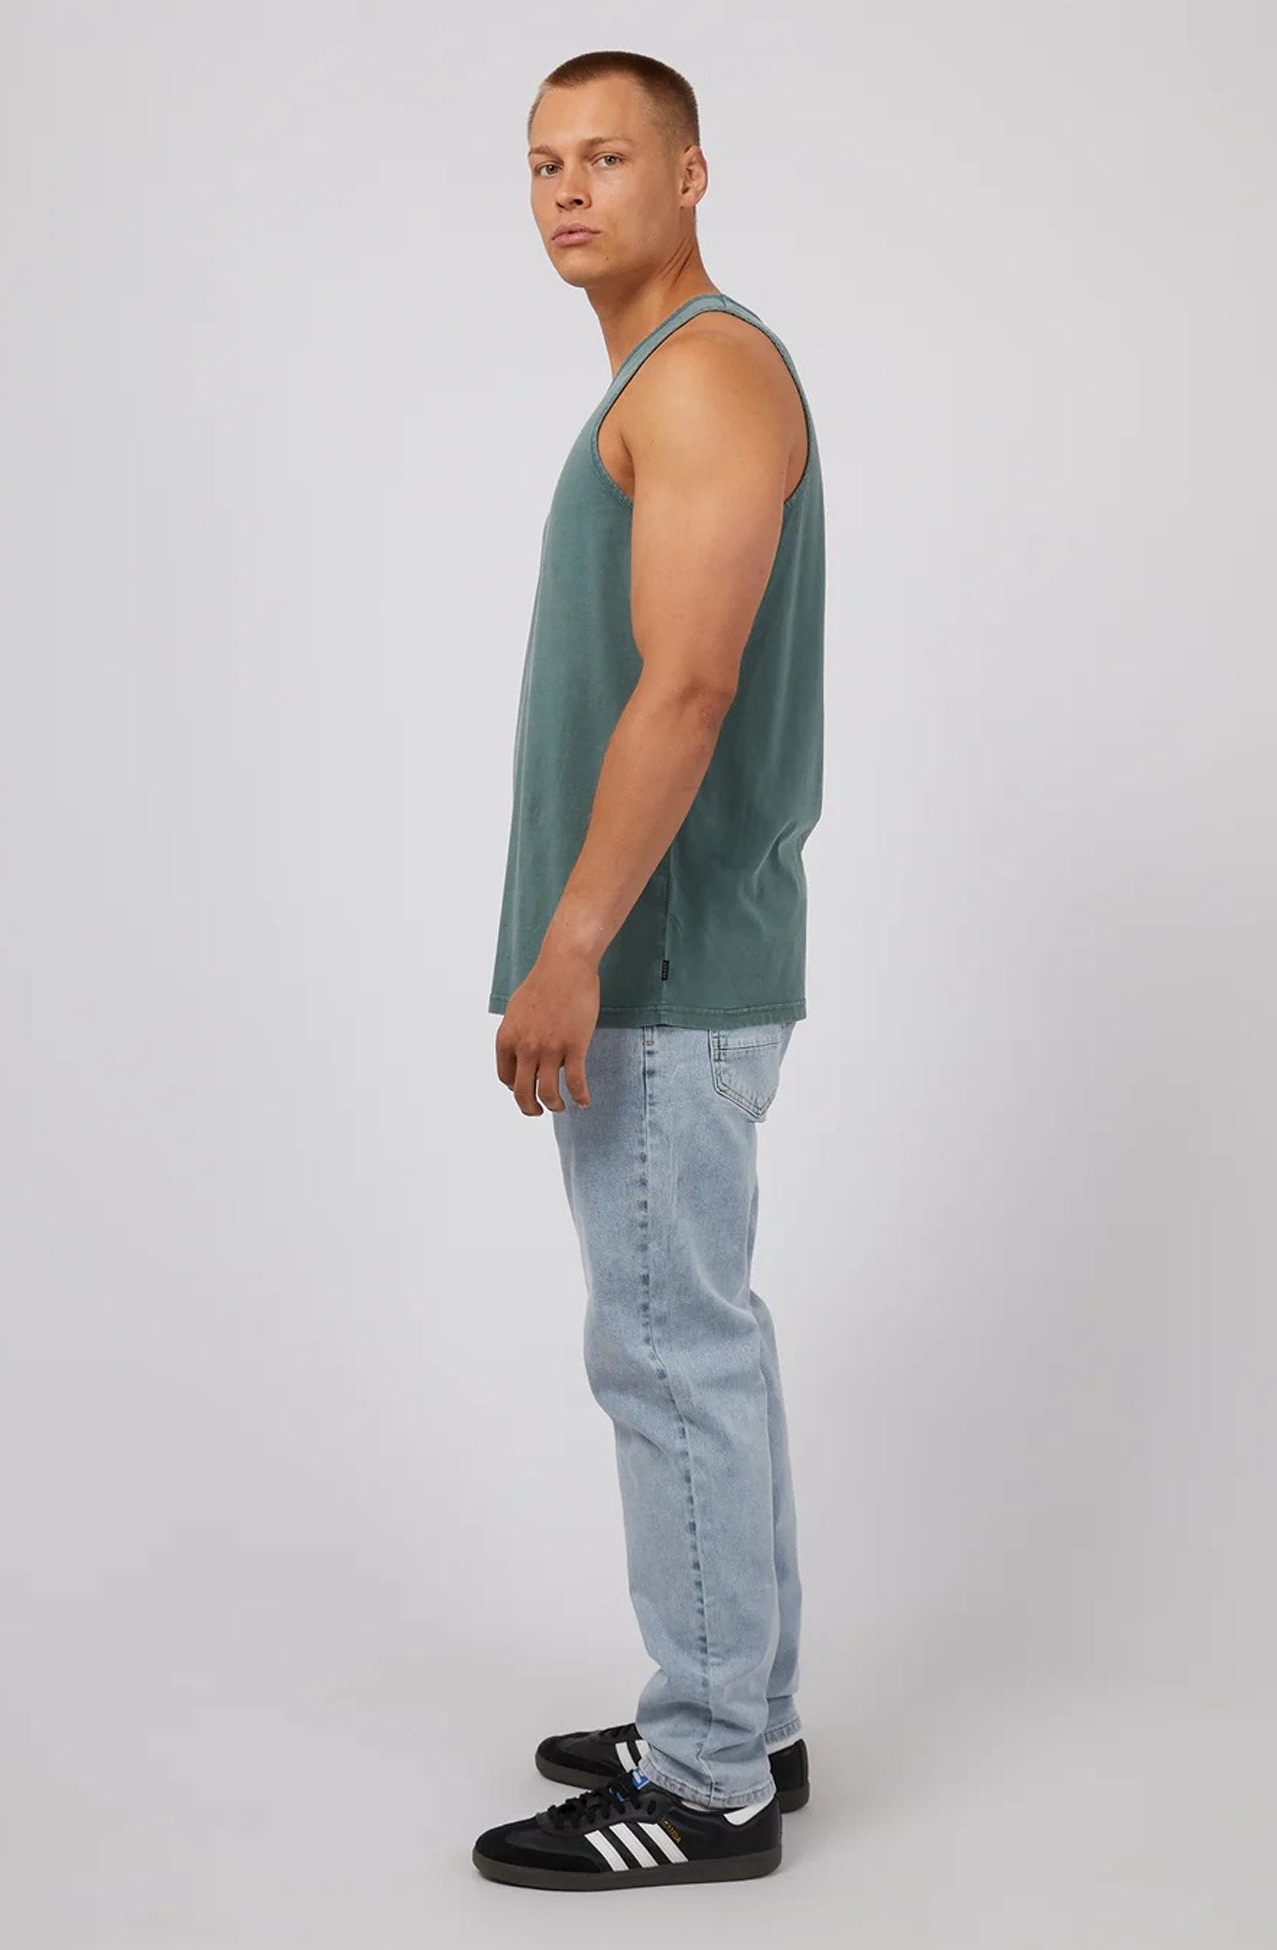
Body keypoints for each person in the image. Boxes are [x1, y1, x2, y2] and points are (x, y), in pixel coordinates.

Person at [475, 47, 825, 1891]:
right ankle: (740, 1711)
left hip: (662, 967)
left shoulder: (699, 372)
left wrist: (574, 946)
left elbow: (688, 688)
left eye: (608, 156)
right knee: (703, 1341)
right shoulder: (668, 375)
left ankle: (703, 1784)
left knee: (668, 1351)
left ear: (690, 176)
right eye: (545, 162)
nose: (568, 189)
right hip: (675, 959)